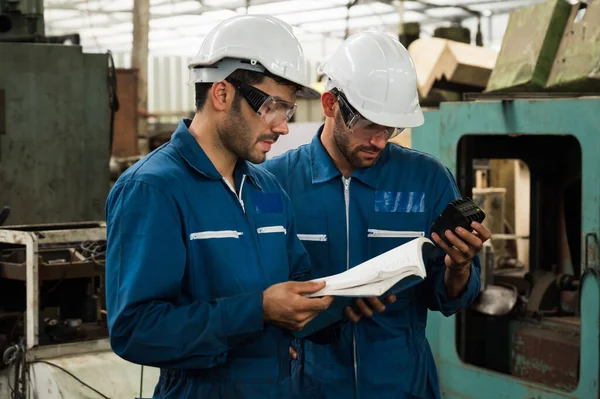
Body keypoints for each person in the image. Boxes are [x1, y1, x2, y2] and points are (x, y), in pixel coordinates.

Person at [104, 15, 333, 399]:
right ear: (222, 94)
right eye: (274, 107)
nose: (283, 127)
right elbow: (135, 330)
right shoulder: (154, 189)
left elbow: (296, 279)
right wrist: (257, 310)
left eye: (287, 110)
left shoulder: (266, 187)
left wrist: (343, 302)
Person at [262, 30, 492, 399]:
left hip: (403, 384)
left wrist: (459, 268)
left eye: (391, 127)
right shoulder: (276, 183)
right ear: (329, 103)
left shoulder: (427, 179)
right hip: (311, 384)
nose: (380, 141)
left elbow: (449, 299)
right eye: (369, 124)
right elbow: (258, 292)